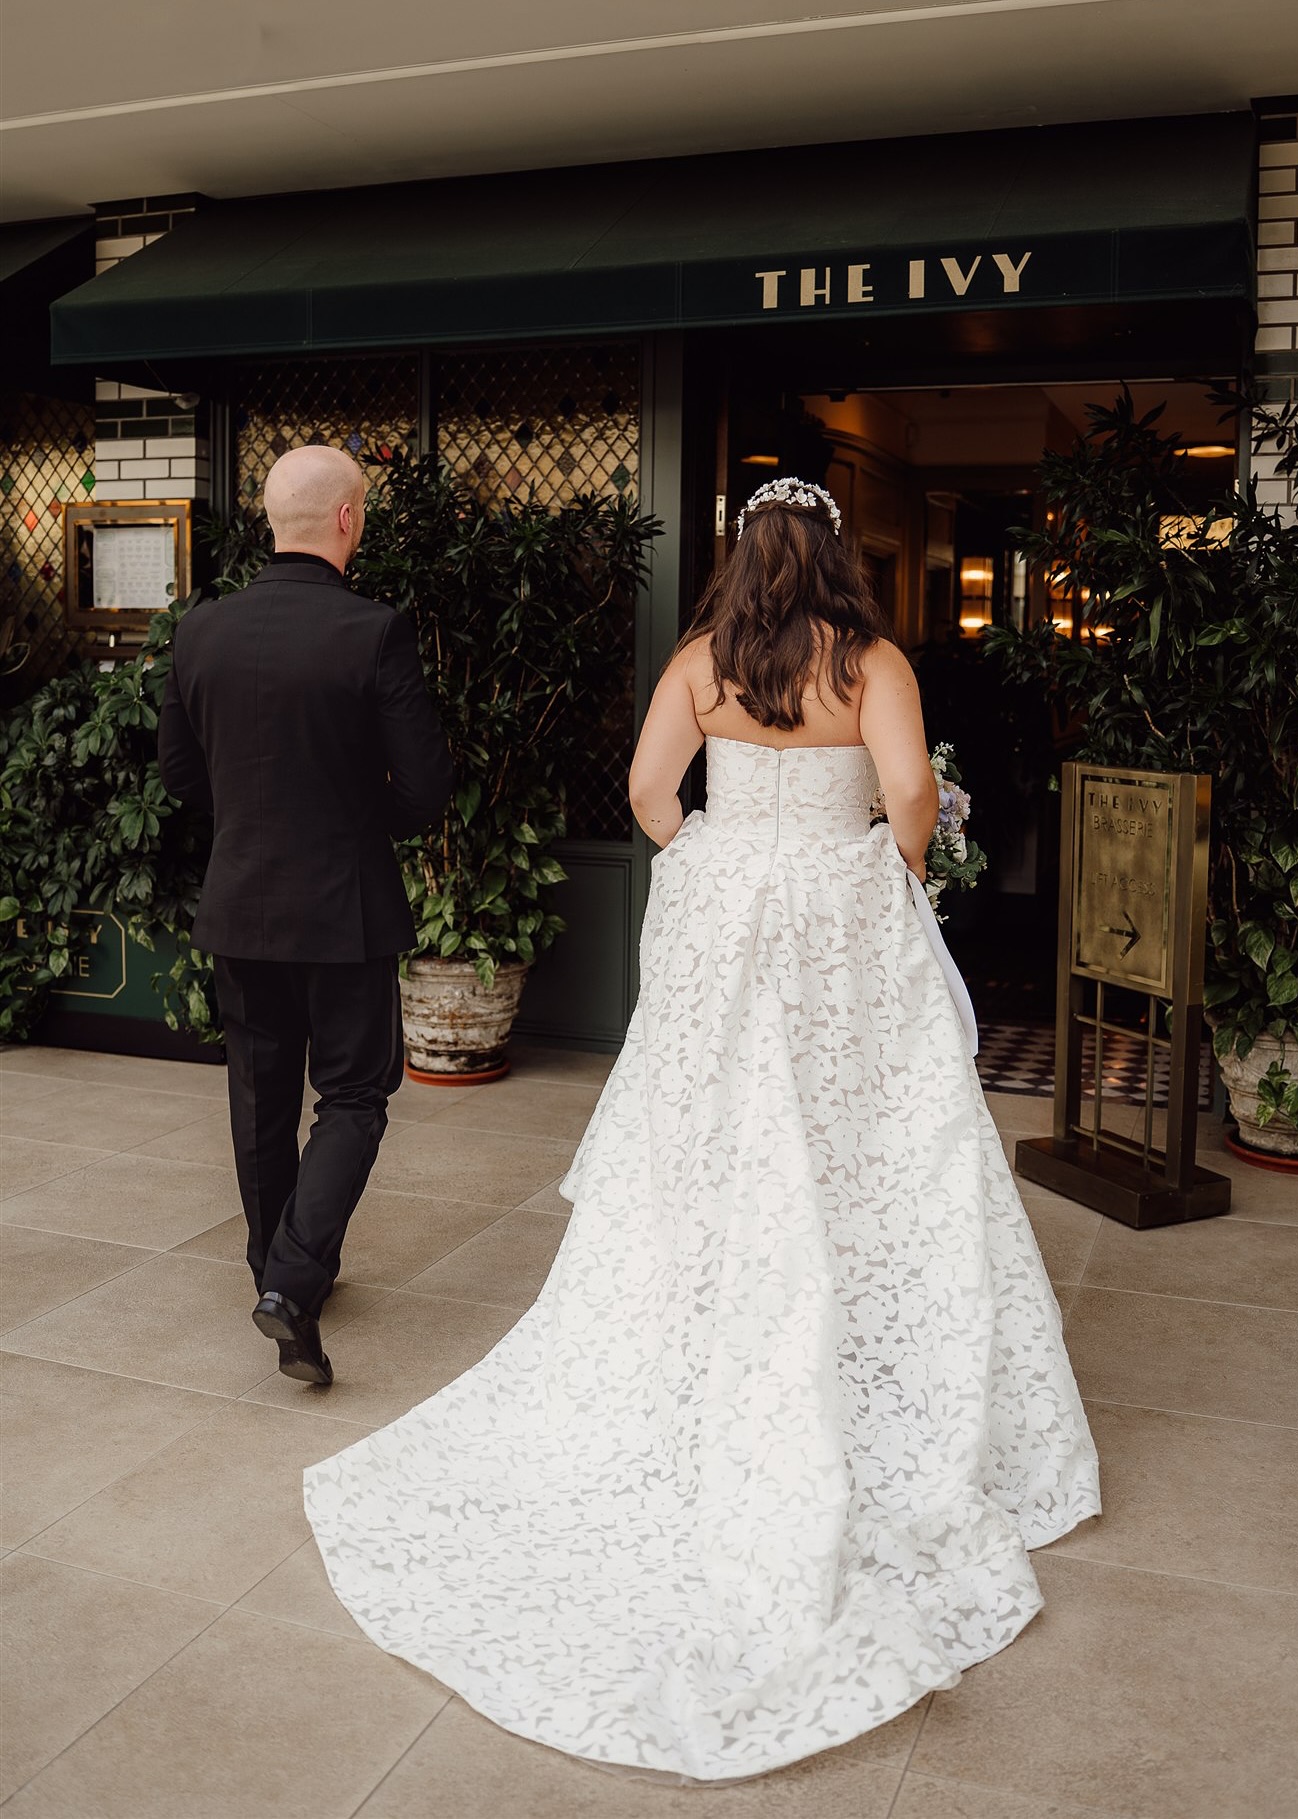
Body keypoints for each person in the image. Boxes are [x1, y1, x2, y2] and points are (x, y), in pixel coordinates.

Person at [304, 477, 1100, 1780]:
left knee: (721, 1138)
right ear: (836, 555)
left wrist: (712, 864)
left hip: (730, 932)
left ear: (743, 556)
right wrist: (889, 871)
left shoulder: (701, 660)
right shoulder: (872, 659)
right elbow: (906, 792)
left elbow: (646, 793)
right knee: (872, 1148)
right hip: (841, 937)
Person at [158, 445, 452, 1386]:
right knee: (356, 1094)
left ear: (268, 521)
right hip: (345, 906)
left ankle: (271, 1269)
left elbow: (178, 778)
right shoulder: (373, 630)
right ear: (348, 518)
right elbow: (425, 791)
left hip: (242, 898)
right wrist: (351, 823)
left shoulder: (199, 631)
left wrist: (257, 821)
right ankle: (290, 1278)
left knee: (260, 1093)